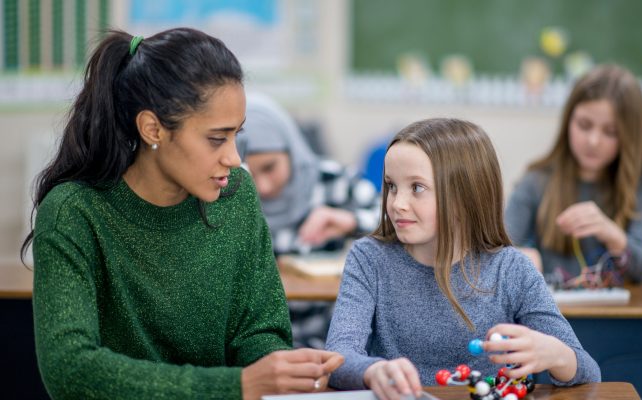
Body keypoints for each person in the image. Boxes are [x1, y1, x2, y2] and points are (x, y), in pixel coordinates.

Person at [21, 28, 342, 399]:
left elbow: (259, 333)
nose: (235, 158)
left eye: (238, 135)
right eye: (216, 138)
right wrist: (238, 386)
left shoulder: (235, 194)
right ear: (152, 128)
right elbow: (71, 369)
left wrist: (281, 371)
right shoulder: (73, 212)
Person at [325, 118, 601, 400]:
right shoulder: (367, 258)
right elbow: (337, 358)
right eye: (391, 186)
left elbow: (589, 372)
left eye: (417, 188)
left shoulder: (512, 269)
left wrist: (556, 355)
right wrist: (372, 371)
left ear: (463, 196)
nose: (397, 203)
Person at [240, 93, 380, 349]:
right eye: (248, 171)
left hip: (328, 333)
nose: (263, 185)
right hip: (254, 338)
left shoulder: (331, 181)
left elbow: (392, 218)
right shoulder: (231, 193)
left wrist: (350, 220)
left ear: (292, 151)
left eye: (270, 167)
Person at [505, 64, 642, 284]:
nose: (593, 141)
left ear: (630, 138)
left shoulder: (639, 188)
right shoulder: (535, 181)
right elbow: (497, 253)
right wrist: (517, 257)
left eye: (610, 132)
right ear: (568, 122)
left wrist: (613, 234)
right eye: (584, 125)